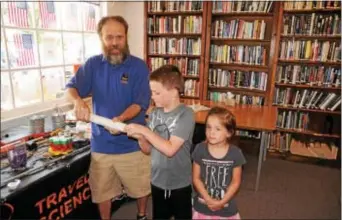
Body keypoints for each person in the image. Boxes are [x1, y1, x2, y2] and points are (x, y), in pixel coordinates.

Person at [65, 16, 151, 220]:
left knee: (140, 187)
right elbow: (71, 88)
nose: (114, 43)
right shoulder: (93, 65)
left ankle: (141, 215)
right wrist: (78, 101)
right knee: (102, 191)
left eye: (119, 37)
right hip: (101, 145)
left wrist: (120, 119)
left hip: (132, 144)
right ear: (101, 38)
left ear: (126, 37)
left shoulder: (139, 67)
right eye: (109, 37)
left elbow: (140, 103)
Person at [125, 65, 195, 220]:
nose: (152, 97)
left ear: (174, 91)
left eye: (156, 92)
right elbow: (148, 149)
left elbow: (170, 150)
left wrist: (145, 131)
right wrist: (140, 138)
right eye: (151, 92)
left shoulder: (186, 114)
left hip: (179, 184)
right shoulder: (155, 113)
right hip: (157, 181)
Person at [192, 107, 246, 220]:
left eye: (217, 129)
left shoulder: (236, 153)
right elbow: (196, 178)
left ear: (229, 133)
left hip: (226, 208)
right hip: (202, 205)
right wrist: (208, 199)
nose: (211, 132)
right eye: (208, 127)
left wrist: (222, 202)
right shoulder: (199, 149)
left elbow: (236, 182)